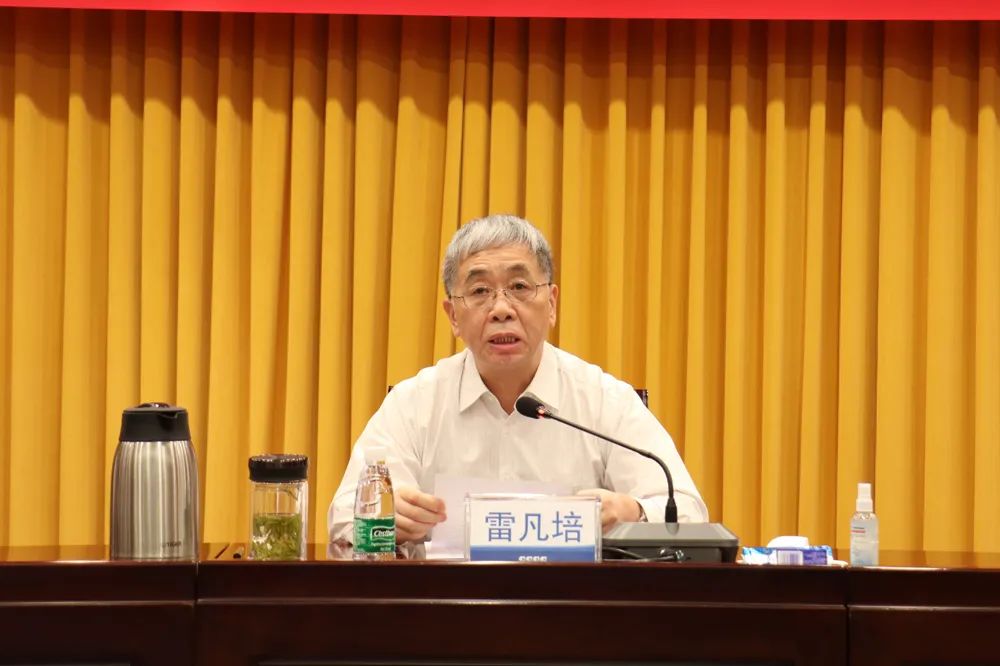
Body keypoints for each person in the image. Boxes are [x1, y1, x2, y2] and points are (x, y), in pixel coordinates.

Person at [328, 214, 707, 545]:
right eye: (479, 291)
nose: (501, 309)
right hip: (445, 602)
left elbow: (689, 515)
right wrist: (385, 518)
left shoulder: (606, 401)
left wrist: (631, 511)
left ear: (552, 303)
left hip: (573, 602)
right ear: (453, 316)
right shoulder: (414, 404)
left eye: (520, 287)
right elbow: (344, 518)